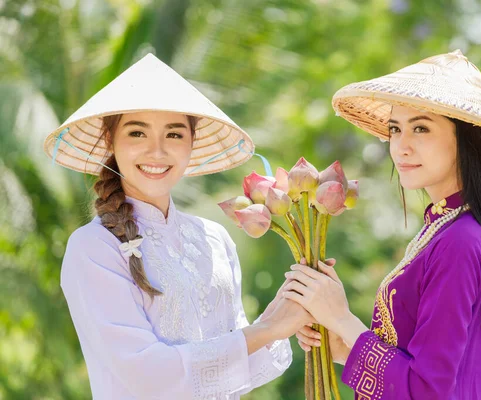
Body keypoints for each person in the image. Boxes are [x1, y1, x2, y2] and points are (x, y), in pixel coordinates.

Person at [43, 54, 310, 399]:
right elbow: (145, 373)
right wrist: (271, 328)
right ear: (110, 141)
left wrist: (292, 305)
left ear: (192, 143)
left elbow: (239, 359)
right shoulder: (93, 247)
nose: (157, 151)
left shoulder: (214, 239)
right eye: (137, 132)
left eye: (174, 134)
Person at [284, 50, 481, 399]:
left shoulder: (460, 240)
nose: (400, 146)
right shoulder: (444, 228)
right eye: (395, 129)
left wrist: (343, 318)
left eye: (420, 128)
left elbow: (427, 389)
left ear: (466, 139)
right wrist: (342, 345)